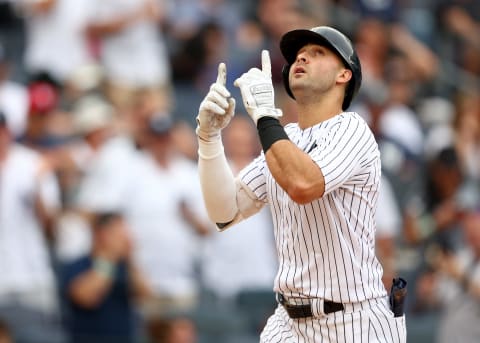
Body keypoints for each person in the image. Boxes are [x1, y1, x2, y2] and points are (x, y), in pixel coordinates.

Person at [194, 26, 407, 342]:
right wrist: (209, 138)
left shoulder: (352, 129)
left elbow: (303, 185)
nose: (301, 57)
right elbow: (224, 212)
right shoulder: (287, 138)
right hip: (289, 322)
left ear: (344, 75)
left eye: (318, 52)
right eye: (297, 54)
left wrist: (265, 117)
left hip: (354, 319)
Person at [60, 211, 153, 343]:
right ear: (102, 234)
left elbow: (145, 294)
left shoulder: (125, 267)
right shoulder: (77, 265)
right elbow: (86, 297)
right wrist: (109, 256)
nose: (125, 239)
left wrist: (131, 260)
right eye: (119, 234)